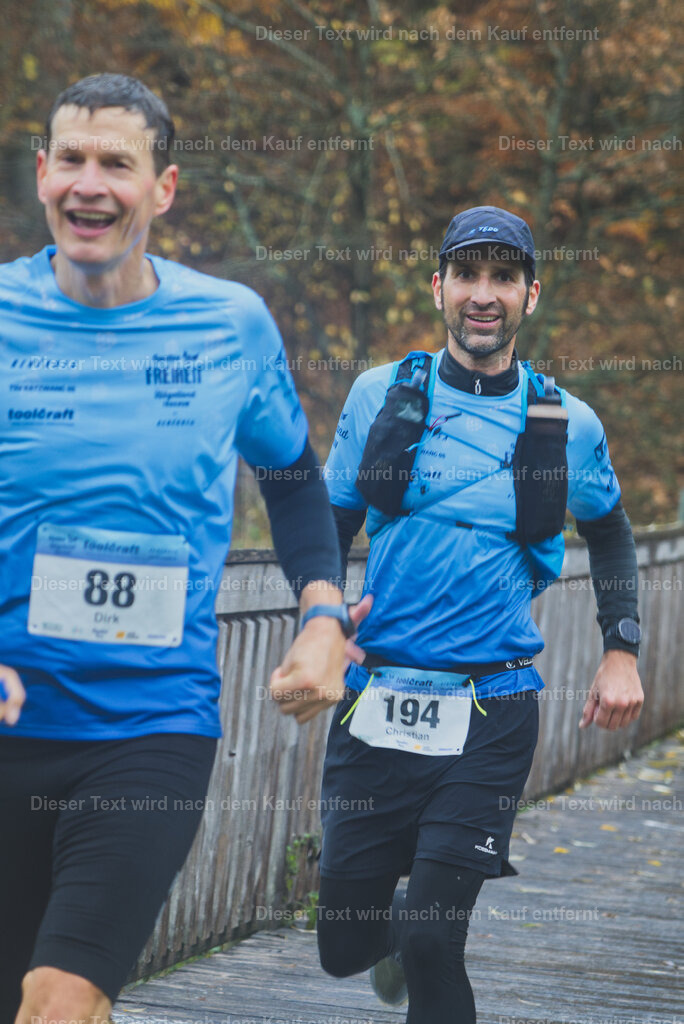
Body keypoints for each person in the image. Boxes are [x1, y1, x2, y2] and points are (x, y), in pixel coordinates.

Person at [0, 72, 352, 1024]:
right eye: (71, 158)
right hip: (7, 721)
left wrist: (322, 615)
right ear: (41, 174)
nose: (90, 183)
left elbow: (292, 480)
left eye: (118, 162)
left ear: (163, 189)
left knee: (60, 1003)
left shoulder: (229, 325)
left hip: (150, 730)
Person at [276, 206, 644, 1023]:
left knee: (440, 943)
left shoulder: (566, 424)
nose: (484, 295)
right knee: (343, 947)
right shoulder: (382, 394)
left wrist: (622, 649)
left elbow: (612, 530)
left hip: (492, 706)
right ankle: (393, 936)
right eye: (468, 276)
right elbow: (329, 521)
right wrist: (323, 620)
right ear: (438, 286)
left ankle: (421, 936)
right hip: (376, 699)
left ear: (530, 295)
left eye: (503, 278)